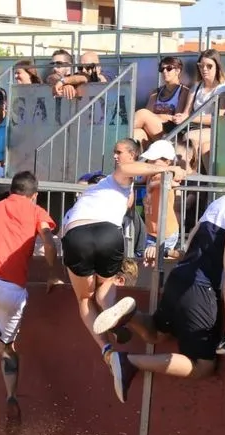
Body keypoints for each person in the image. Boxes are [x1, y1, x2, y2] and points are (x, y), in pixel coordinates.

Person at [92, 172, 225, 403]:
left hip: (180, 276)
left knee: (156, 333)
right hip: (202, 287)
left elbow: (192, 239)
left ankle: (131, 316)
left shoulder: (219, 203)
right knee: (203, 365)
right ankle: (129, 361)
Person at [60, 141, 185, 364]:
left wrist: (164, 168)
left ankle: (107, 351)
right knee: (104, 288)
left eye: (119, 152)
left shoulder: (104, 184)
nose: (115, 156)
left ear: (132, 155)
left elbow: (126, 169)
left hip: (76, 234)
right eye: (114, 152)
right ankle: (112, 312)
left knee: (84, 299)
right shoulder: (116, 186)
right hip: (107, 233)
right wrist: (167, 169)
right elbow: (127, 180)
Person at [0, 171, 63, 433]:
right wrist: (53, 273)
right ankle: (11, 396)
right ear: (34, 194)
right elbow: (49, 244)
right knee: (6, 348)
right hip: (14, 294)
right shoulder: (38, 211)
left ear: (12, 190)